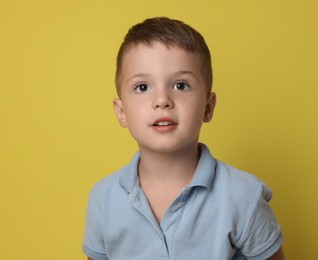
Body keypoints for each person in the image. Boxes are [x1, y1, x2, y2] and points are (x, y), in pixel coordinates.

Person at [83, 17, 284, 260]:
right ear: (122, 112)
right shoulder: (103, 199)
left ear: (208, 108)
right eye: (142, 87)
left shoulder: (243, 197)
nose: (162, 100)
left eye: (180, 85)